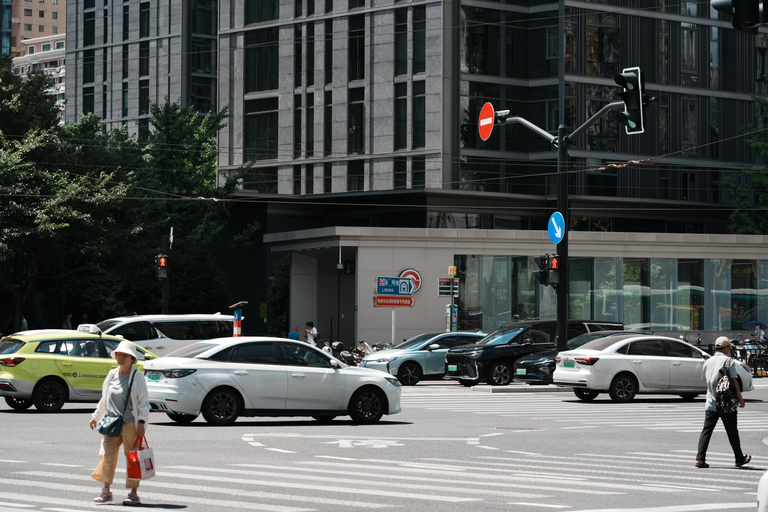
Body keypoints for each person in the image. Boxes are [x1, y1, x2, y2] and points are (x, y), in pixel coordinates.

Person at [89, 340, 149, 505]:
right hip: (111, 424)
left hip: (130, 424)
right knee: (107, 457)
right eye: (119, 355)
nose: (121, 358)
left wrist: (142, 422)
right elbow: (104, 398)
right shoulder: (112, 374)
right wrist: (95, 417)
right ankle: (106, 491)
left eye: (125, 355)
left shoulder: (137, 377)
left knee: (133, 459)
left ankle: (133, 493)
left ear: (132, 358)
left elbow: (143, 402)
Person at [695, 336, 750, 469]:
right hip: (727, 404)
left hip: (711, 403)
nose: (730, 350)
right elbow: (734, 380)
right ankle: (739, 459)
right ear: (725, 348)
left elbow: (707, 382)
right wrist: (740, 399)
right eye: (729, 347)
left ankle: (700, 459)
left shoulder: (708, 362)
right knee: (732, 431)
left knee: (706, 431)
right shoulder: (728, 361)